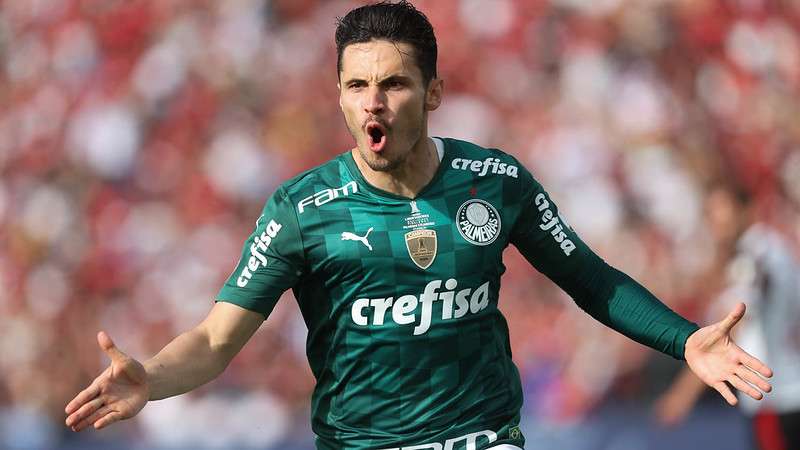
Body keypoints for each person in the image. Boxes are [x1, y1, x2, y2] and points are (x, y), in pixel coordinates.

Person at [65, 2, 774, 449]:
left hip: (480, 438)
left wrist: (684, 341)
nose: (373, 102)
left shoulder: (494, 183)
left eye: (394, 83)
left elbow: (589, 280)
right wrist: (150, 380)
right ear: (339, 95)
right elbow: (217, 341)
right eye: (355, 85)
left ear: (432, 92)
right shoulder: (301, 209)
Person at [655, 185, 800, 450]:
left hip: (774, 396)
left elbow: (732, 323)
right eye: (710, 212)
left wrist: (683, 394)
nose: (715, 221)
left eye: (722, 210)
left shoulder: (754, 256)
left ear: (745, 211)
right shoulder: (771, 249)